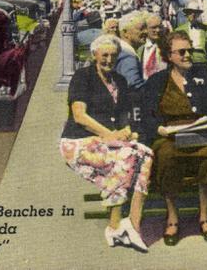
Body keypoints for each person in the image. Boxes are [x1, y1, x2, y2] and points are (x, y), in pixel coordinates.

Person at [59, 35, 151, 251]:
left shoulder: (119, 80)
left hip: (107, 141)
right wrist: (110, 135)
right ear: (94, 56)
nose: (109, 60)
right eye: (104, 55)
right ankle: (114, 226)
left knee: (145, 153)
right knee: (127, 157)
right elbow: (79, 116)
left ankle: (132, 225)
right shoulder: (83, 76)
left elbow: (123, 116)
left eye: (113, 55)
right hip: (78, 141)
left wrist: (127, 130)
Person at [140, 31, 207, 246]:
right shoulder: (157, 81)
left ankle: (205, 216)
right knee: (166, 156)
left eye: (190, 50)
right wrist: (158, 129)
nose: (188, 55)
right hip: (170, 135)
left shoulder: (206, 75)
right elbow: (147, 114)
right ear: (168, 56)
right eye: (182, 52)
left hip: (201, 132)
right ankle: (172, 216)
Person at [175, 0, 207, 64]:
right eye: (190, 12)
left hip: (202, 58)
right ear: (187, 14)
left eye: (195, 12)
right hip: (186, 58)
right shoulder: (179, 30)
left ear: (198, 14)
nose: (193, 14)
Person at [116, 11, 147, 90]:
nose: (146, 32)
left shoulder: (121, 51)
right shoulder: (127, 57)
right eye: (141, 28)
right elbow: (135, 87)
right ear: (125, 32)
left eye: (146, 28)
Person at [138, 12, 167, 80]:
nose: (158, 30)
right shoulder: (140, 48)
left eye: (160, 27)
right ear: (145, 29)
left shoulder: (168, 45)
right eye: (153, 28)